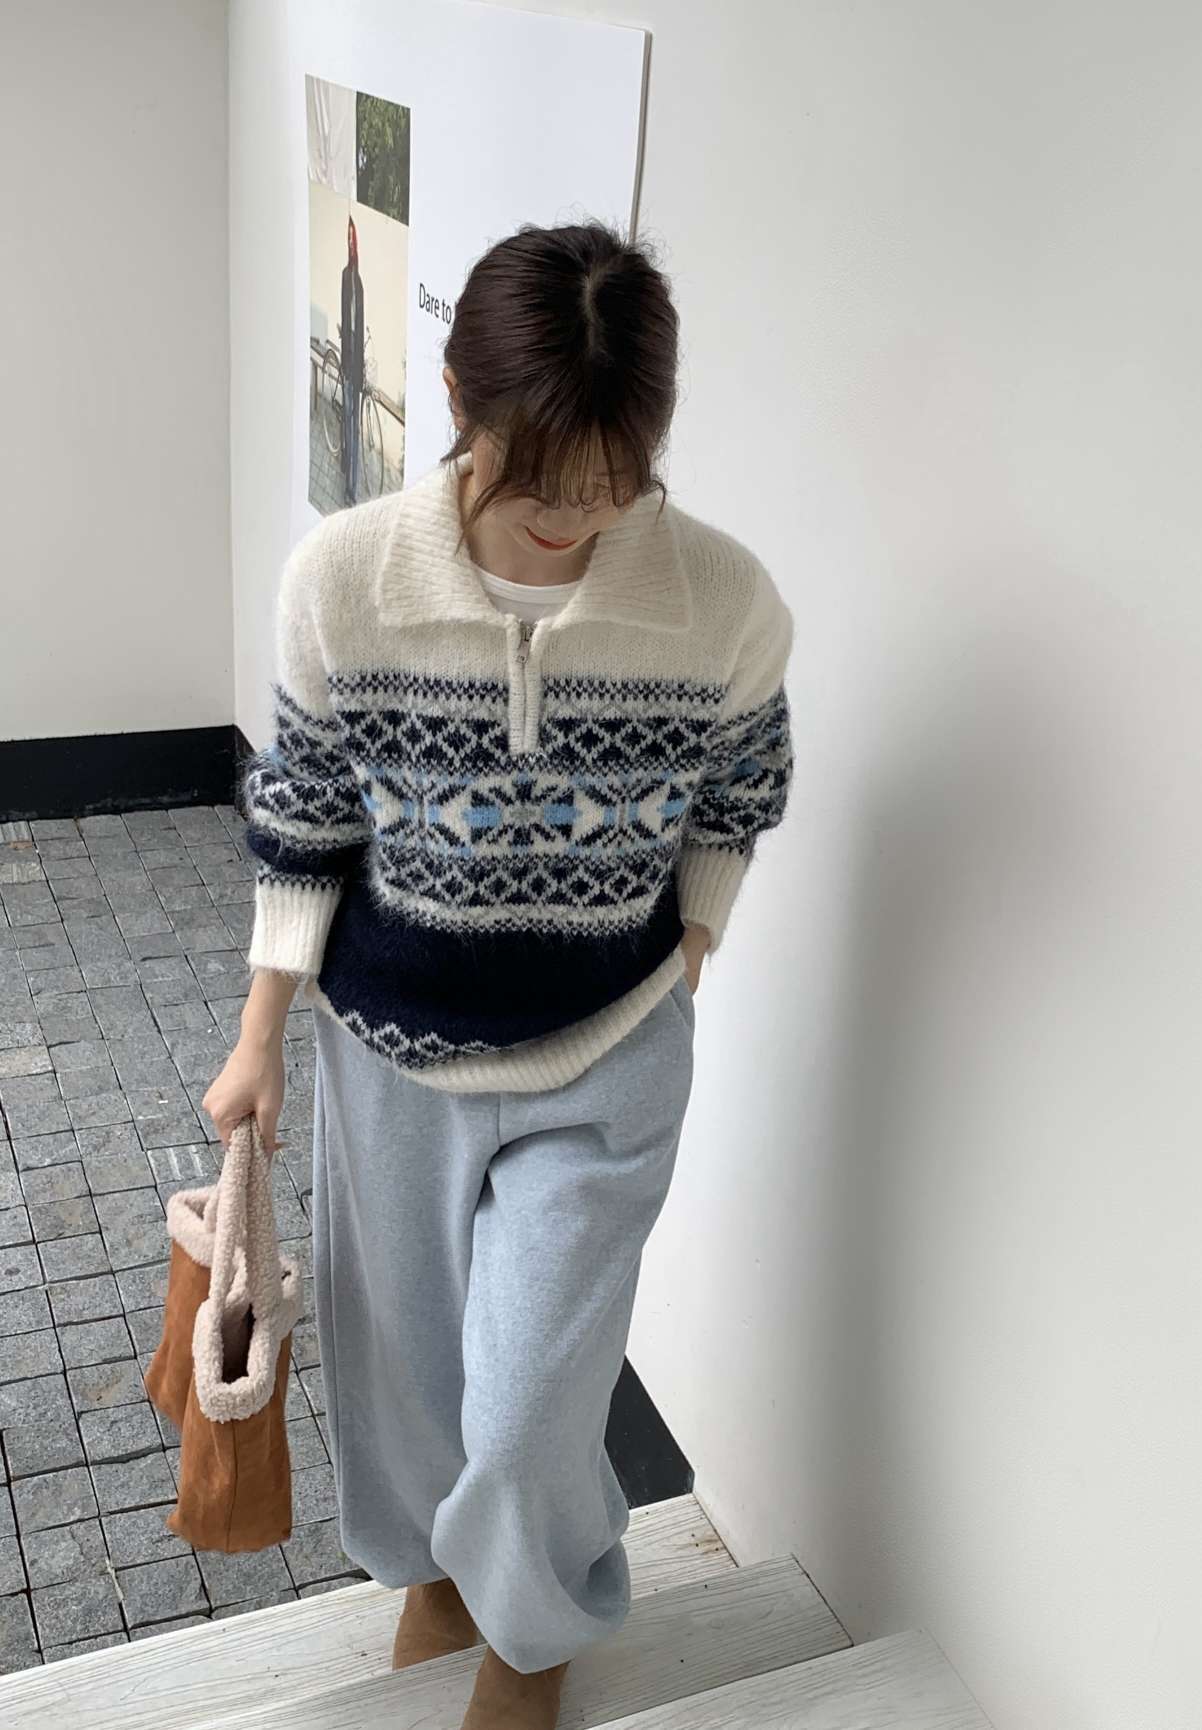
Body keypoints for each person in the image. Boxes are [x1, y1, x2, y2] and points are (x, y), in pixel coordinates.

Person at [204, 219, 795, 1730]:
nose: (573, 521)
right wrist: (260, 1033)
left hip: (606, 1054)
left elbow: (740, 786)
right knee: (402, 1373)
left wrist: (697, 934)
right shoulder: (345, 580)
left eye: (613, 484)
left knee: (535, 1397)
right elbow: (304, 816)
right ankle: (432, 1574)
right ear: (461, 402)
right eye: (540, 485)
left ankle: (531, 1635)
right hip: (389, 1054)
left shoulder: (719, 600)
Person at [339, 215, 364, 504]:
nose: (351, 247)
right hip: (347, 362)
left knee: (354, 425)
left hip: (355, 369)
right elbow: (346, 318)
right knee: (346, 419)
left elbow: (360, 320)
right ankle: (346, 468)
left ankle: (351, 490)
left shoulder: (359, 283)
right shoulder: (346, 277)